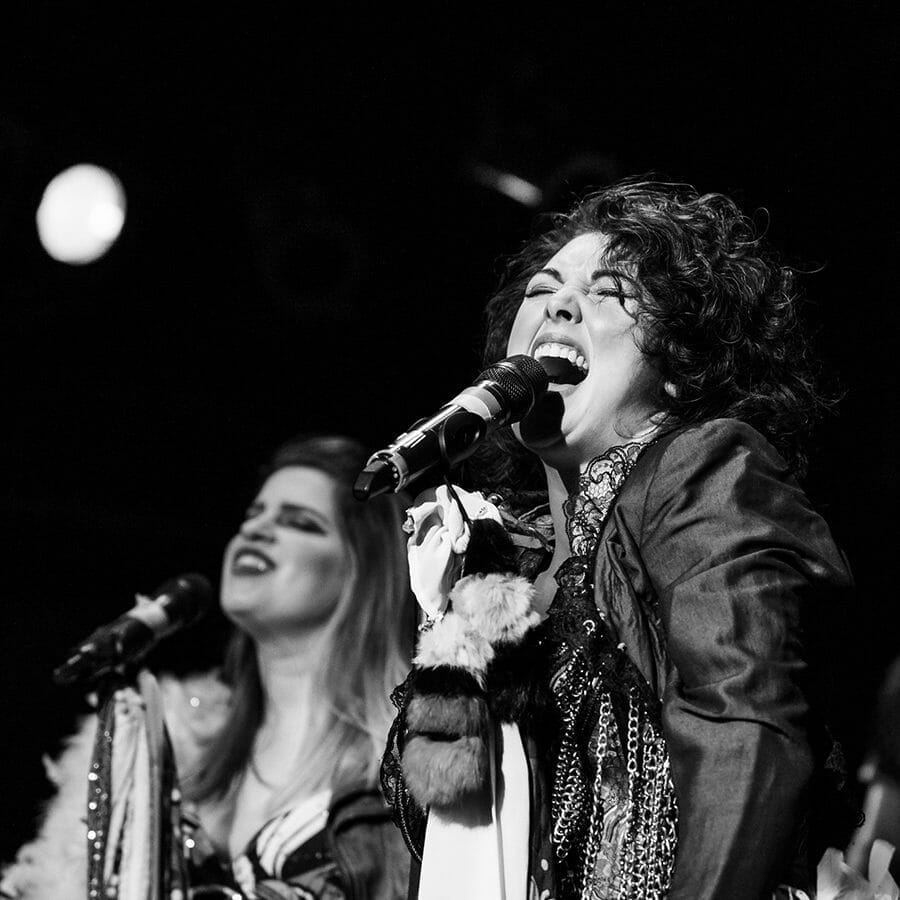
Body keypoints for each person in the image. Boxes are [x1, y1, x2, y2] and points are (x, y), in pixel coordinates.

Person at [387, 180, 856, 900]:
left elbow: (745, 724)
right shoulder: (501, 574)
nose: (559, 305)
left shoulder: (703, 468)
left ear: (677, 368)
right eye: (543, 289)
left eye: (612, 294)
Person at [3, 435, 416, 899]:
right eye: (252, 515)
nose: (255, 532)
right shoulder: (168, 749)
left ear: (365, 569)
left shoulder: (408, 766)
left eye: (301, 523)